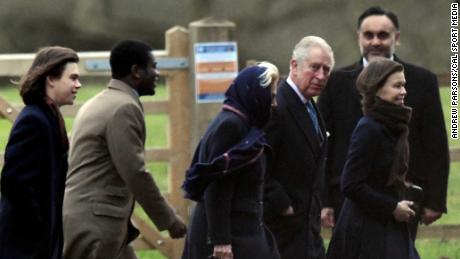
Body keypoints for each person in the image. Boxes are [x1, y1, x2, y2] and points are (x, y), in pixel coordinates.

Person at [318, 6, 449, 235]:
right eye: (369, 35)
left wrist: (435, 199)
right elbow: (323, 144)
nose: (375, 42)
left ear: (396, 38)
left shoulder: (422, 81)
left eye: (383, 35)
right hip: (348, 196)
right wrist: (324, 200)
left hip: (404, 195)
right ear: (359, 37)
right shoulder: (336, 83)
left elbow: (435, 144)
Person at [63, 39, 187, 259]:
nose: (157, 73)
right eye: (153, 66)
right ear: (136, 71)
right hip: (98, 224)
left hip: (88, 219)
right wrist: (169, 219)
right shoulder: (124, 108)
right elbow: (134, 172)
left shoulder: (97, 102)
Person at [182, 62, 280, 259]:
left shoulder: (242, 124)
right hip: (228, 237)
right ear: (256, 95)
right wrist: (221, 240)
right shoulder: (231, 126)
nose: (274, 103)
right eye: (272, 96)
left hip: (244, 230)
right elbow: (217, 184)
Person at [327, 58, 420, 259]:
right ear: (377, 90)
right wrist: (392, 208)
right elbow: (351, 184)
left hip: (386, 227)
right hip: (366, 232)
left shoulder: (393, 126)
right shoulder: (368, 128)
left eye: (404, 85)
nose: (403, 91)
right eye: (397, 86)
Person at [0, 46, 81, 258]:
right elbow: (14, 181)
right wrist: (38, 223)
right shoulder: (34, 120)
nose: (78, 85)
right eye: (72, 78)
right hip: (24, 246)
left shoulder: (48, 117)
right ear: (51, 79)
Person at [263, 36, 334, 259]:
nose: (321, 76)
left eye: (326, 69)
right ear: (294, 65)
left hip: (307, 229)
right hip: (280, 229)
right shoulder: (277, 106)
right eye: (314, 68)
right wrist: (284, 205)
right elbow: (259, 164)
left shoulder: (309, 105)